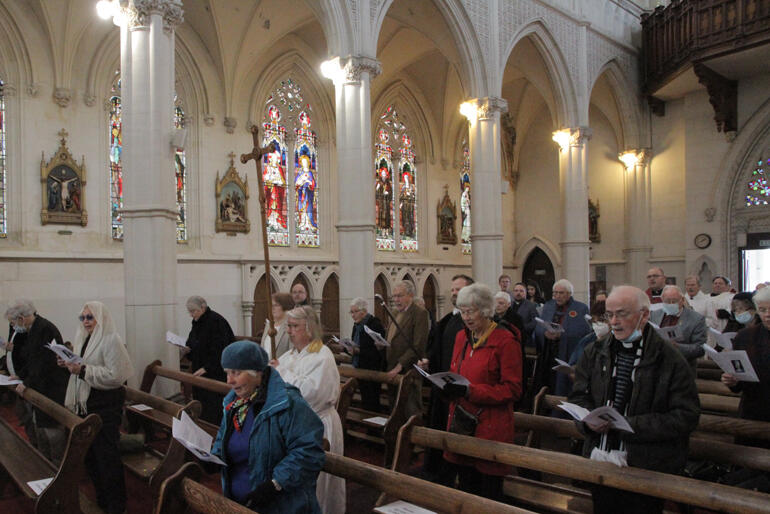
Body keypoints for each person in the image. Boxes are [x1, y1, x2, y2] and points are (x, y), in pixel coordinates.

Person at [569, 285, 700, 514]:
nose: (614, 322)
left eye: (622, 313)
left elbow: (686, 417)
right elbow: (580, 396)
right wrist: (586, 422)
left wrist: (630, 425)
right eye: (609, 315)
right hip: (601, 459)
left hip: (646, 466)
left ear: (644, 315)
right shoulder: (595, 351)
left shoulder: (670, 359)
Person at [212, 341, 325, 513]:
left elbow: (309, 452)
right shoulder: (234, 404)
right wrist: (213, 458)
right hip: (239, 503)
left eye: (236, 372)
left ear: (257, 372)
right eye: (227, 373)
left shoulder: (289, 403)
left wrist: (275, 485)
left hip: (282, 505)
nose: (229, 380)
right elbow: (223, 439)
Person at [437, 283, 522, 500]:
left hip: (491, 426)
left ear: (485, 310)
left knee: (488, 493)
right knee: (466, 489)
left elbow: (512, 389)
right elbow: (455, 371)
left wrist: (470, 391)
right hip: (462, 423)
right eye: (463, 311)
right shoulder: (462, 338)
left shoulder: (505, 340)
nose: (466, 317)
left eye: (471, 311)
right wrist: (449, 387)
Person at [60, 301, 133, 514]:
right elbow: (84, 366)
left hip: (106, 406)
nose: (85, 321)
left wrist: (82, 370)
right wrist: (68, 365)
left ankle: (117, 506)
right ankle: (102, 500)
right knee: (91, 457)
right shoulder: (84, 338)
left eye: (90, 317)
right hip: (87, 404)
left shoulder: (111, 340)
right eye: (82, 317)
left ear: (100, 318)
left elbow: (116, 376)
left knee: (107, 457)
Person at [272, 306, 345, 514]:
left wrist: (281, 372)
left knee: (319, 485)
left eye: (294, 326)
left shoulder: (322, 355)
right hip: (294, 427)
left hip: (318, 424)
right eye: (288, 326)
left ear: (310, 328)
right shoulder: (289, 355)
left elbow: (310, 393)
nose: (289, 331)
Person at [419, 273, 473, 481]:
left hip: (460, 389)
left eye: (458, 289)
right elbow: (436, 349)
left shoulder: (470, 323)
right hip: (442, 387)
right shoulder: (449, 320)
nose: (454, 293)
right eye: (452, 290)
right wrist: (428, 362)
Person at [9, 299, 69, 463]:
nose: (14, 326)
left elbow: (44, 363)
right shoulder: (34, 328)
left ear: (22, 317)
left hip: (51, 388)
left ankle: (56, 467)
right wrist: (20, 376)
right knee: (40, 430)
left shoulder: (44, 329)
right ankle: (45, 464)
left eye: (14, 322)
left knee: (52, 431)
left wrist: (27, 382)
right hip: (41, 386)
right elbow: (32, 359)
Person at [721, 287, 770, 449]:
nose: (767, 314)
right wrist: (732, 381)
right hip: (753, 409)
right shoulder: (745, 337)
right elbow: (739, 377)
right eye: (762, 310)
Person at [532, 279, 591, 397]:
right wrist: (544, 333)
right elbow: (538, 327)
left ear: (569, 294)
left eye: (561, 293)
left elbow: (584, 331)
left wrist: (562, 335)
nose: (557, 296)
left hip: (567, 353)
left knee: (563, 385)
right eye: (555, 293)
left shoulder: (580, 308)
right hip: (549, 353)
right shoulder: (548, 306)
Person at [184, 296, 235, 424]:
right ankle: (203, 426)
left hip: (215, 372)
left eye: (193, 311)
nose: (191, 315)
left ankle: (215, 430)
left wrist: (207, 367)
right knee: (202, 403)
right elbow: (193, 342)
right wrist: (187, 349)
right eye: (189, 311)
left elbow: (221, 349)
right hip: (199, 368)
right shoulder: (197, 322)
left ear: (203, 307)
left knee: (214, 405)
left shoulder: (216, 321)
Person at [386, 280, 430, 419]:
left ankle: (414, 439)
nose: (396, 300)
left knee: (411, 410)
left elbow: (418, 345)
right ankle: (396, 438)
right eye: (394, 296)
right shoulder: (394, 312)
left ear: (410, 295)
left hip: (408, 370)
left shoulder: (419, 313)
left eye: (399, 296)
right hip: (391, 367)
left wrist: (400, 366)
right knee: (395, 410)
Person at [649, 285, 707, 371]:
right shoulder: (654, 315)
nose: (671, 304)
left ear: (682, 300)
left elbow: (700, 349)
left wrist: (677, 347)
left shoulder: (696, 319)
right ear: (662, 301)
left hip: (683, 367)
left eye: (674, 301)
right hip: (657, 366)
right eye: (667, 301)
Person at [349, 297, 387, 412]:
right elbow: (355, 344)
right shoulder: (357, 325)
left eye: (355, 312)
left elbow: (378, 351)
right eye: (351, 312)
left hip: (372, 368)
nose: (352, 315)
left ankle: (374, 428)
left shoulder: (375, 324)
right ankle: (366, 423)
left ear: (364, 311)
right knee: (365, 400)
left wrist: (358, 351)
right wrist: (348, 348)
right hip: (360, 366)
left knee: (372, 400)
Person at [4, 310, 35, 445]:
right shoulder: (15, 329)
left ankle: (34, 443)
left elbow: (28, 357)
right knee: (22, 413)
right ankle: (31, 441)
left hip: (24, 380)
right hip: (15, 377)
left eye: (13, 321)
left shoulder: (28, 333)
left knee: (30, 415)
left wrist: (23, 377)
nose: (11, 324)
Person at [261, 292, 293, 359]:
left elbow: (292, 353)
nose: (272, 308)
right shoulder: (268, 325)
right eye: (271, 305)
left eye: (276, 305)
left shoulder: (290, 326)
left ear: (285, 306)